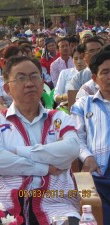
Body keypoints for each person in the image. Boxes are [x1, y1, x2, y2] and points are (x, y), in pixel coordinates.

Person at [0, 56, 80, 225]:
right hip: (3, 203)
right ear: (7, 88)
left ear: (42, 83)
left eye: (34, 76)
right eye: (21, 78)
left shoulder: (59, 118)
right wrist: (44, 167)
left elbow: (71, 149)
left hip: (56, 203)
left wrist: (17, 151)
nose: (29, 83)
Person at [70, 50, 110, 225]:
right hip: (99, 173)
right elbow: (75, 136)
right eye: (105, 72)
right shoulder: (83, 105)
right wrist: (88, 156)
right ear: (94, 78)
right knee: (91, 192)